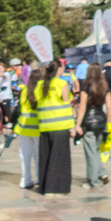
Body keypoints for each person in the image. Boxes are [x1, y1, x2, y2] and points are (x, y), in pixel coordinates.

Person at [33, 60, 74, 195]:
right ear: (59, 70)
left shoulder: (40, 84)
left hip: (45, 125)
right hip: (60, 125)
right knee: (59, 158)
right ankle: (57, 187)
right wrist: (72, 126)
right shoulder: (62, 84)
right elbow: (66, 102)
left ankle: (44, 187)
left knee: (45, 157)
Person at [76, 69, 111, 189]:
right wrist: (108, 123)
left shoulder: (86, 87)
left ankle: (93, 181)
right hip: (101, 120)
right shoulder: (105, 87)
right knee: (97, 151)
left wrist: (77, 124)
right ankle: (101, 173)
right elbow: (109, 107)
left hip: (89, 121)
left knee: (90, 153)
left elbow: (82, 107)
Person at [14, 67, 42, 189]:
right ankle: (39, 177)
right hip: (37, 128)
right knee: (38, 155)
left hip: (24, 128)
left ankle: (25, 179)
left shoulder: (24, 91)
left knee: (24, 156)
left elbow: (18, 108)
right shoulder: (41, 91)